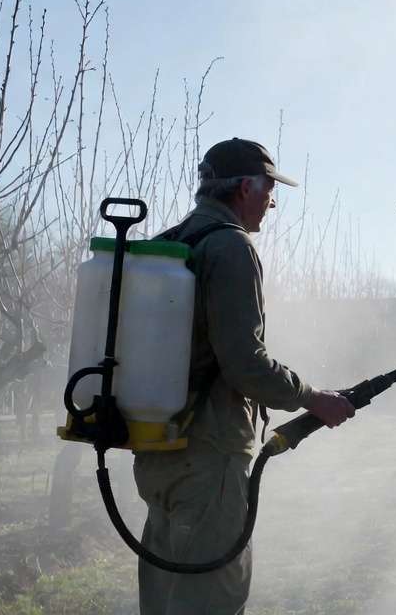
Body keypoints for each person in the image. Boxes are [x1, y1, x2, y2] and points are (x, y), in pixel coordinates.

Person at [133, 138, 356, 614]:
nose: (272, 203)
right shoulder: (231, 247)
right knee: (211, 599)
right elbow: (245, 362)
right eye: (269, 190)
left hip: (158, 453)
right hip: (209, 461)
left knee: (166, 599)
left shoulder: (170, 244)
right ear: (244, 188)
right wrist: (313, 398)